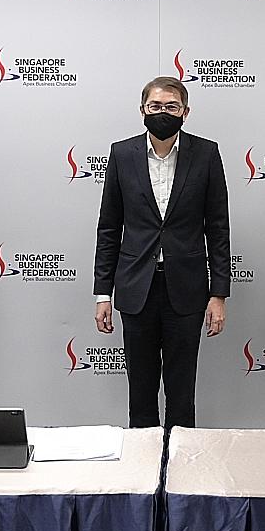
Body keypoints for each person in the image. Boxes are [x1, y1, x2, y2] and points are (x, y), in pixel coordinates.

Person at [93, 76, 229, 429]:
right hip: (136, 288)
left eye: (171, 106)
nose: (163, 112)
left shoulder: (206, 153)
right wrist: (101, 294)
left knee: (182, 393)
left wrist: (219, 294)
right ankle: (143, 473)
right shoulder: (122, 154)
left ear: (185, 112)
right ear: (142, 111)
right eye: (155, 106)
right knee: (140, 393)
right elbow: (109, 228)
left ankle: (181, 471)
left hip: (186, 289)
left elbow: (218, 227)